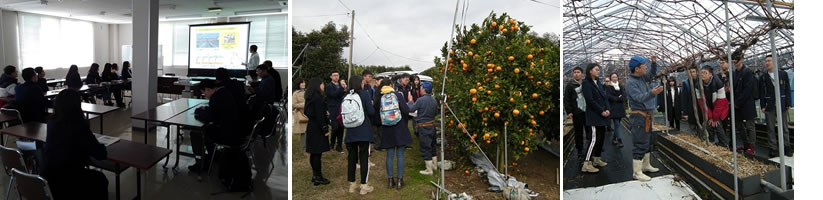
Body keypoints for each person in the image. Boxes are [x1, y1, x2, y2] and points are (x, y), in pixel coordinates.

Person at [41, 89, 108, 200]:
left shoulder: (51, 122)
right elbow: (100, 154)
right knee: (100, 179)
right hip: (68, 179)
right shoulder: (79, 125)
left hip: (48, 176)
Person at [625, 55, 662, 182]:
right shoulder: (631, 83)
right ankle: (637, 172)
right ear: (637, 68)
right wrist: (653, 93)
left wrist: (654, 63)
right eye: (643, 66)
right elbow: (639, 98)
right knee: (640, 143)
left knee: (647, 141)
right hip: (639, 116)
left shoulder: (641, 78)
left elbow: (651, 74)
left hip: (646, 115)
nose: (645, 67)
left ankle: (646, 165)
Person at [375, 79, 412, 190]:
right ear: (391, 85)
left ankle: (390, 181)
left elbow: (376, 117)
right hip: (399, 127)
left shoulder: (379, 98)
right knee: (400, 155)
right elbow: (405, 110)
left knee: (389, 155)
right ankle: (400, 180)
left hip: (387, 129)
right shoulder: (398, 95)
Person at [342, 76, 376, 195]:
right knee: (364, 158)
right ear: (359, 83)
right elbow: (371, 111)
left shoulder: (346, 96)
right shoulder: (365, 94)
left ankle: (352, 185)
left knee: (351, 158)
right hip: (363, 131)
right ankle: (364, 185)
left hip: (350, 131)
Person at [760, 55, 793, 157]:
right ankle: (773, 148)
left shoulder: (782, 74)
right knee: (770, 128)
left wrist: (788, 103)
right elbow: (762, 92)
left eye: (769, 60)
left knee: (784, 127)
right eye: (766, 61)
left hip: (782, 104)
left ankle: (786, 147)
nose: (767, 63)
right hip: (769, 104)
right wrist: (762, 105)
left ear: (774, 61)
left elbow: (787, 89)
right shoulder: (764, 77)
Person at [580, 63, 610, 173]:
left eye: (599, 69)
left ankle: (597, 159)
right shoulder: (586, 83)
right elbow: (590, 100)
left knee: (601, 137)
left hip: (602, 115)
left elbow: (605, 97)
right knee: (594, 139)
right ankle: (586, 163)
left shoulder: (598, 83)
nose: (598, 71)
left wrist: (607, 109)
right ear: (590, 71)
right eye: (596, 69)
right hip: (594, 115)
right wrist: (601, 110)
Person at [304, 77, 331, 186]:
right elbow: (320, 115)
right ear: (318, 85)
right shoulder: (318, 98)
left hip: (311, 126)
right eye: (322, 84)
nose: (323, 86)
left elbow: (308, 112)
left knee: (314, 153)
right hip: (318, 128)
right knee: (317, 153)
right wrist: (325, 128)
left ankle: (315, 175)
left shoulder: (309, 97)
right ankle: (318, 176)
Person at [407, 81, 438, 175]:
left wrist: (409, 101)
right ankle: (434, 165)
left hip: (424, 127)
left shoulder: (420, 100)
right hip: (432, 125)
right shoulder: (434, 100)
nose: (420, 89)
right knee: (432, 146)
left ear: (424, 89)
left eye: (421, 88)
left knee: (425, 147)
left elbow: (411, 109)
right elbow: (436, 113)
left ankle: (429, 170)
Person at [697, 66, 730, 148]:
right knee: (708, 125)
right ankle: (711, 143)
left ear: (710, 74)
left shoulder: (718, 83)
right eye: (701, 73)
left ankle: (724, 145)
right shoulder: (698, 85)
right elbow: (701, 102)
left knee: (718, 126)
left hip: (720, 109)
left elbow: (721, 102)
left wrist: (714, 117)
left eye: (705, 73)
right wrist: (710, 116)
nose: (702, 75)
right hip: (708, 109)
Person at [731, 55, 757, 155]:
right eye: (733, 59)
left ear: (741, 60)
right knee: (739, 125)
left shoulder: (747, 72)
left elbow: (748, 89)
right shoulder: (734, 73)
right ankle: (746, 144)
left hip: (746, 103)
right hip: (737, 104)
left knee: (750, 125)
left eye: (736, 59)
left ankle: (752, 146)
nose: (734, 61)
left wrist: (737, 102)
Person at [563, 67, 586, 159]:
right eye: (575, 72)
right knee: (578, 131)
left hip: (586, 111)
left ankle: (590, 148)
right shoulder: (570, 85)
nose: (576, 74)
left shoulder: (585, 84)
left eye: (578, 72)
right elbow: (567, 99)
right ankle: (580, 150)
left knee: (589, 130)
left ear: (582, 74)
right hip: (576, 111)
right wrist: (569, 111)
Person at [325, 70, 345, 153]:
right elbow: (333, 95)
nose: (336, 77)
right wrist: (341, 87)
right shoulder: (329, 86)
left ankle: (339, 145)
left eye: (337, 75)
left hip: (341, 109)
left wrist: (344, 88)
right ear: (331, 77)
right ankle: (331, 143)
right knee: (335, 128)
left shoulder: (341, 86)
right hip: (333, 110)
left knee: (341, 128)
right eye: (334, 75)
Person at [605, 73, 625, 147]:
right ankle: (619, 140)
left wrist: (617, 98)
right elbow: (609, 96)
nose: (615, 78)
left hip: (620, 108)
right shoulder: (608, 87)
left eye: (616, 77)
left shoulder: (620, 86)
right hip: (613, 108)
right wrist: (618, 98)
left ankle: (614, 138)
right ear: (611, 78)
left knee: (618, 124)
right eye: (613, 77)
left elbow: (624, 96)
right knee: (616, 124)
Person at [681, 67, 702, 132]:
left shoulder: (701, 81)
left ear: (697, 72)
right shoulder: (686, 83)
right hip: (691, 109)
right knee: (692, 129)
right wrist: (685, 113)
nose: (692, 74)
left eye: (693, 71)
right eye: (690, 72)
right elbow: (684, 99)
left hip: (701, 109)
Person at [292, 78, 308, 154]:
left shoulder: (308, 91)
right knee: (303, 132)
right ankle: (303, 149)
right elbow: (294, 105)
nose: (303, 84)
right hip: (301, 113)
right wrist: (305, 104)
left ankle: (309, 147)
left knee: (309, 131)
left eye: (304, 82)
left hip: (309, 113)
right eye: (301, 83)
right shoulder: (295, 93)